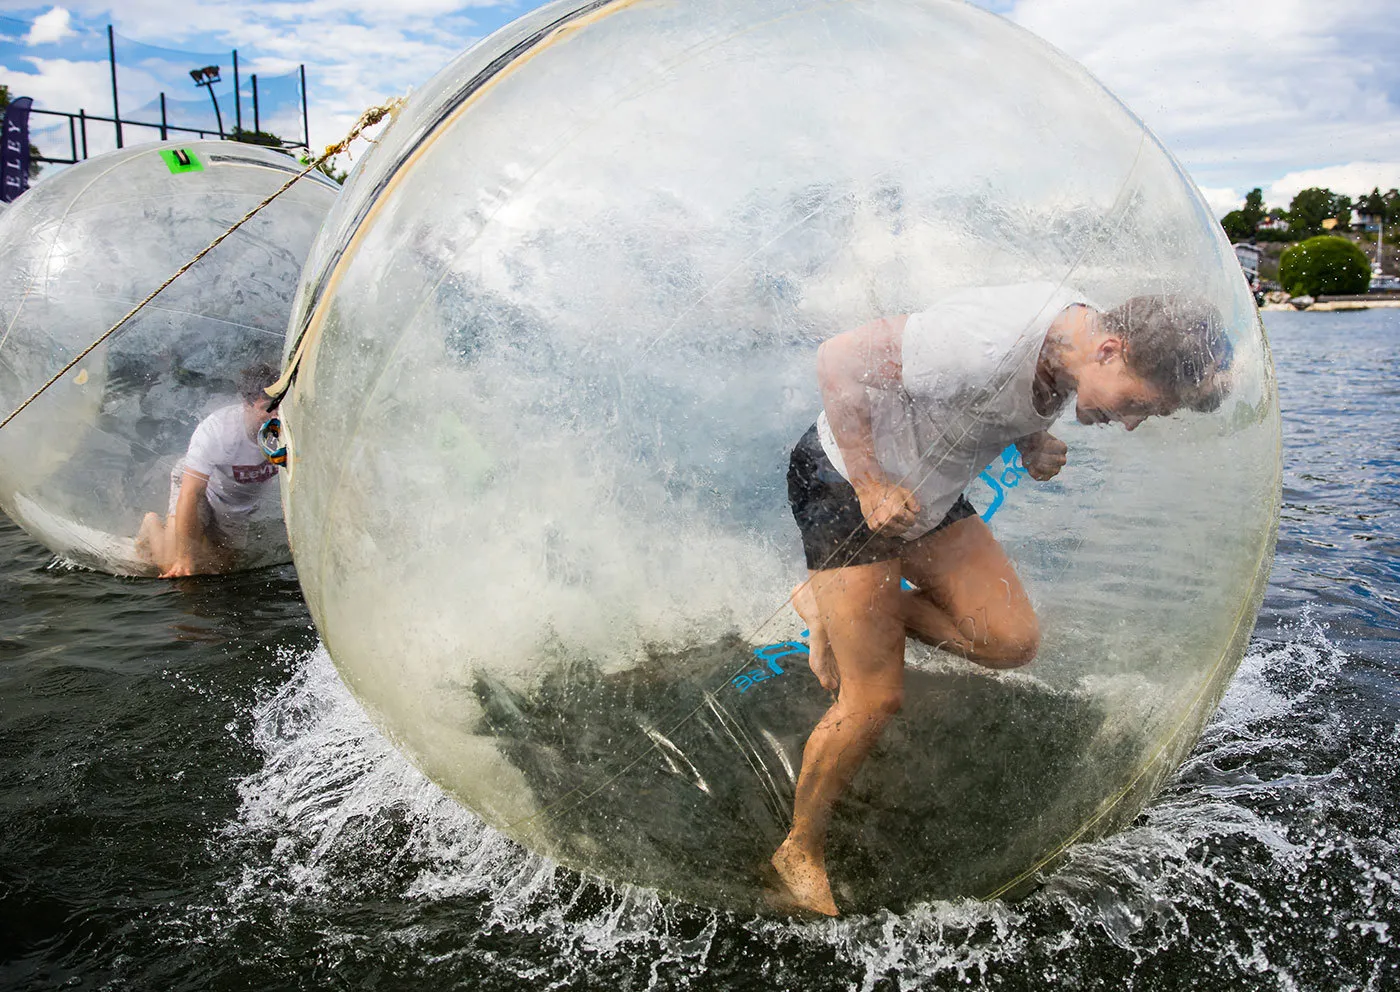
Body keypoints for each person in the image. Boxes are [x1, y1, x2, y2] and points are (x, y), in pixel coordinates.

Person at [771, 283, 1233, 916]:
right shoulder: (985, 343)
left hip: (928, 496)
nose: (1128, 422)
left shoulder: (1074, 346)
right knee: (874, 697)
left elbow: (986, 406)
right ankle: (798, 848)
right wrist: (874, 482)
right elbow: (838, 359)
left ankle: (834, 604)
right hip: (845, 486)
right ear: (1111, 348)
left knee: (1011, 642)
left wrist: (1029, 441)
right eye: (1136, 404)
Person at [135, 363, 281, 578]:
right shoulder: (219, 429)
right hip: (201, 488)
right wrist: (185, 558)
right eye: (267, 408)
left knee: (218, 570)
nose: (275, 416)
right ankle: (152, 524)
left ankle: (197, 539)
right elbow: (190, 493)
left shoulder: (288, 428)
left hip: (236, 505)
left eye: (280, 407)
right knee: (175, 566)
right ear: (247, 405)